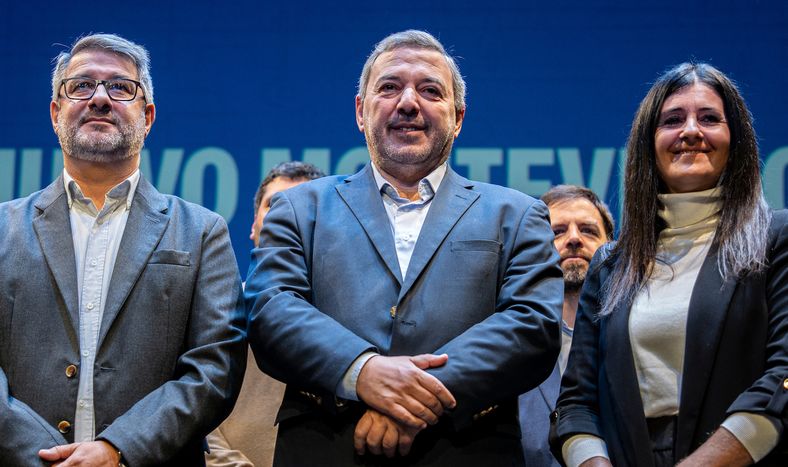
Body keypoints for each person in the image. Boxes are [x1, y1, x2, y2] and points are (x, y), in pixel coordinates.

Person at [245, 30, 562, 466]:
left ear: (459, 117)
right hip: (327, 449)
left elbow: (533, 326)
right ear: (361, 111)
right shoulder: (299, 208)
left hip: (467, 451)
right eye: (389, 87)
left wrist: (411, 400)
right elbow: (270, 310)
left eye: (430, 90)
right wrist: (364, 372)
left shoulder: (517, 213)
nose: (409, 102)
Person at [0, 34, 246, 466]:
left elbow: (215, 370)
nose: (99, 99)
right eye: (80, 86)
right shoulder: (3, 228)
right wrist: (38, 456)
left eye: (120, 87)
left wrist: (118, 450)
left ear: (147, 117)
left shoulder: (203, 232)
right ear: (56, 113)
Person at [551, 63, 788, 466]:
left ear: (737, 139)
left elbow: (783, 373)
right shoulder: (611, 263)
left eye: (709, 118)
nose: (691, 131)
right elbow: (576, 402)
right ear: (649, 142)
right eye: (673, 120)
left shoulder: (777, 236)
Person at [207, 161, 325, 467]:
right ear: (253, 226)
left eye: (304, 206)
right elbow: (188, 405)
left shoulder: (361, 319)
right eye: (276, 205)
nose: (288, 217)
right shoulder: (212, 309)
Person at [518, 185, 613, 466]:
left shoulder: (635, 334)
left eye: (588, 230)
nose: (574, 239)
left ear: (612, 245)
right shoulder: (508, 335)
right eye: (557, 231)